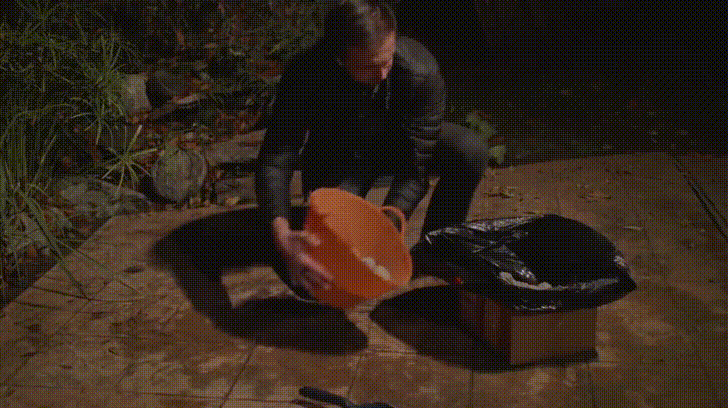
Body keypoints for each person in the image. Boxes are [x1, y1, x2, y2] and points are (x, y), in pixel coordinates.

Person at [256, 0, 488, 298]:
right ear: (340, 57)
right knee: (320, 274)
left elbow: (415, 168)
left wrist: (388, 224)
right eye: (368, 66)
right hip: (339, 153)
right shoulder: (306, 73)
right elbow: (276, 157)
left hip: (397, 144)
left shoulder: (421, 72)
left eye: (387, 61)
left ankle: (437, 250)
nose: (382, 75)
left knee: (470, 151)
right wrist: (282, 235)